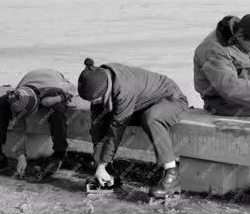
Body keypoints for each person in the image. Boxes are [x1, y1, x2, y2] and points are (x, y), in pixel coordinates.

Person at [77, 58, 188, 199]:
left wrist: (101, 164)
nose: (94, 103)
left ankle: (172, 174)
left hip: (171, 100)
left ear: (104, 89)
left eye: (96, 100)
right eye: (91, 101)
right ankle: (108, 172)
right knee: (102, 118)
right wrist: (100, 164)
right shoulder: (99, 80)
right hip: (142, 104)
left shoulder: (124, 89)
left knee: (151, 118)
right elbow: (97, 126)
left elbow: (116, 129)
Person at [0, 68, 75, 179]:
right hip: (29, 79)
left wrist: (58, 98)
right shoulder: (18, 97)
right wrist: (21, 156)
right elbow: (19, 128)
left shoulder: (55, 88)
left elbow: (72, 90)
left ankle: (59, 154)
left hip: (51, 77)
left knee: (59, 110)